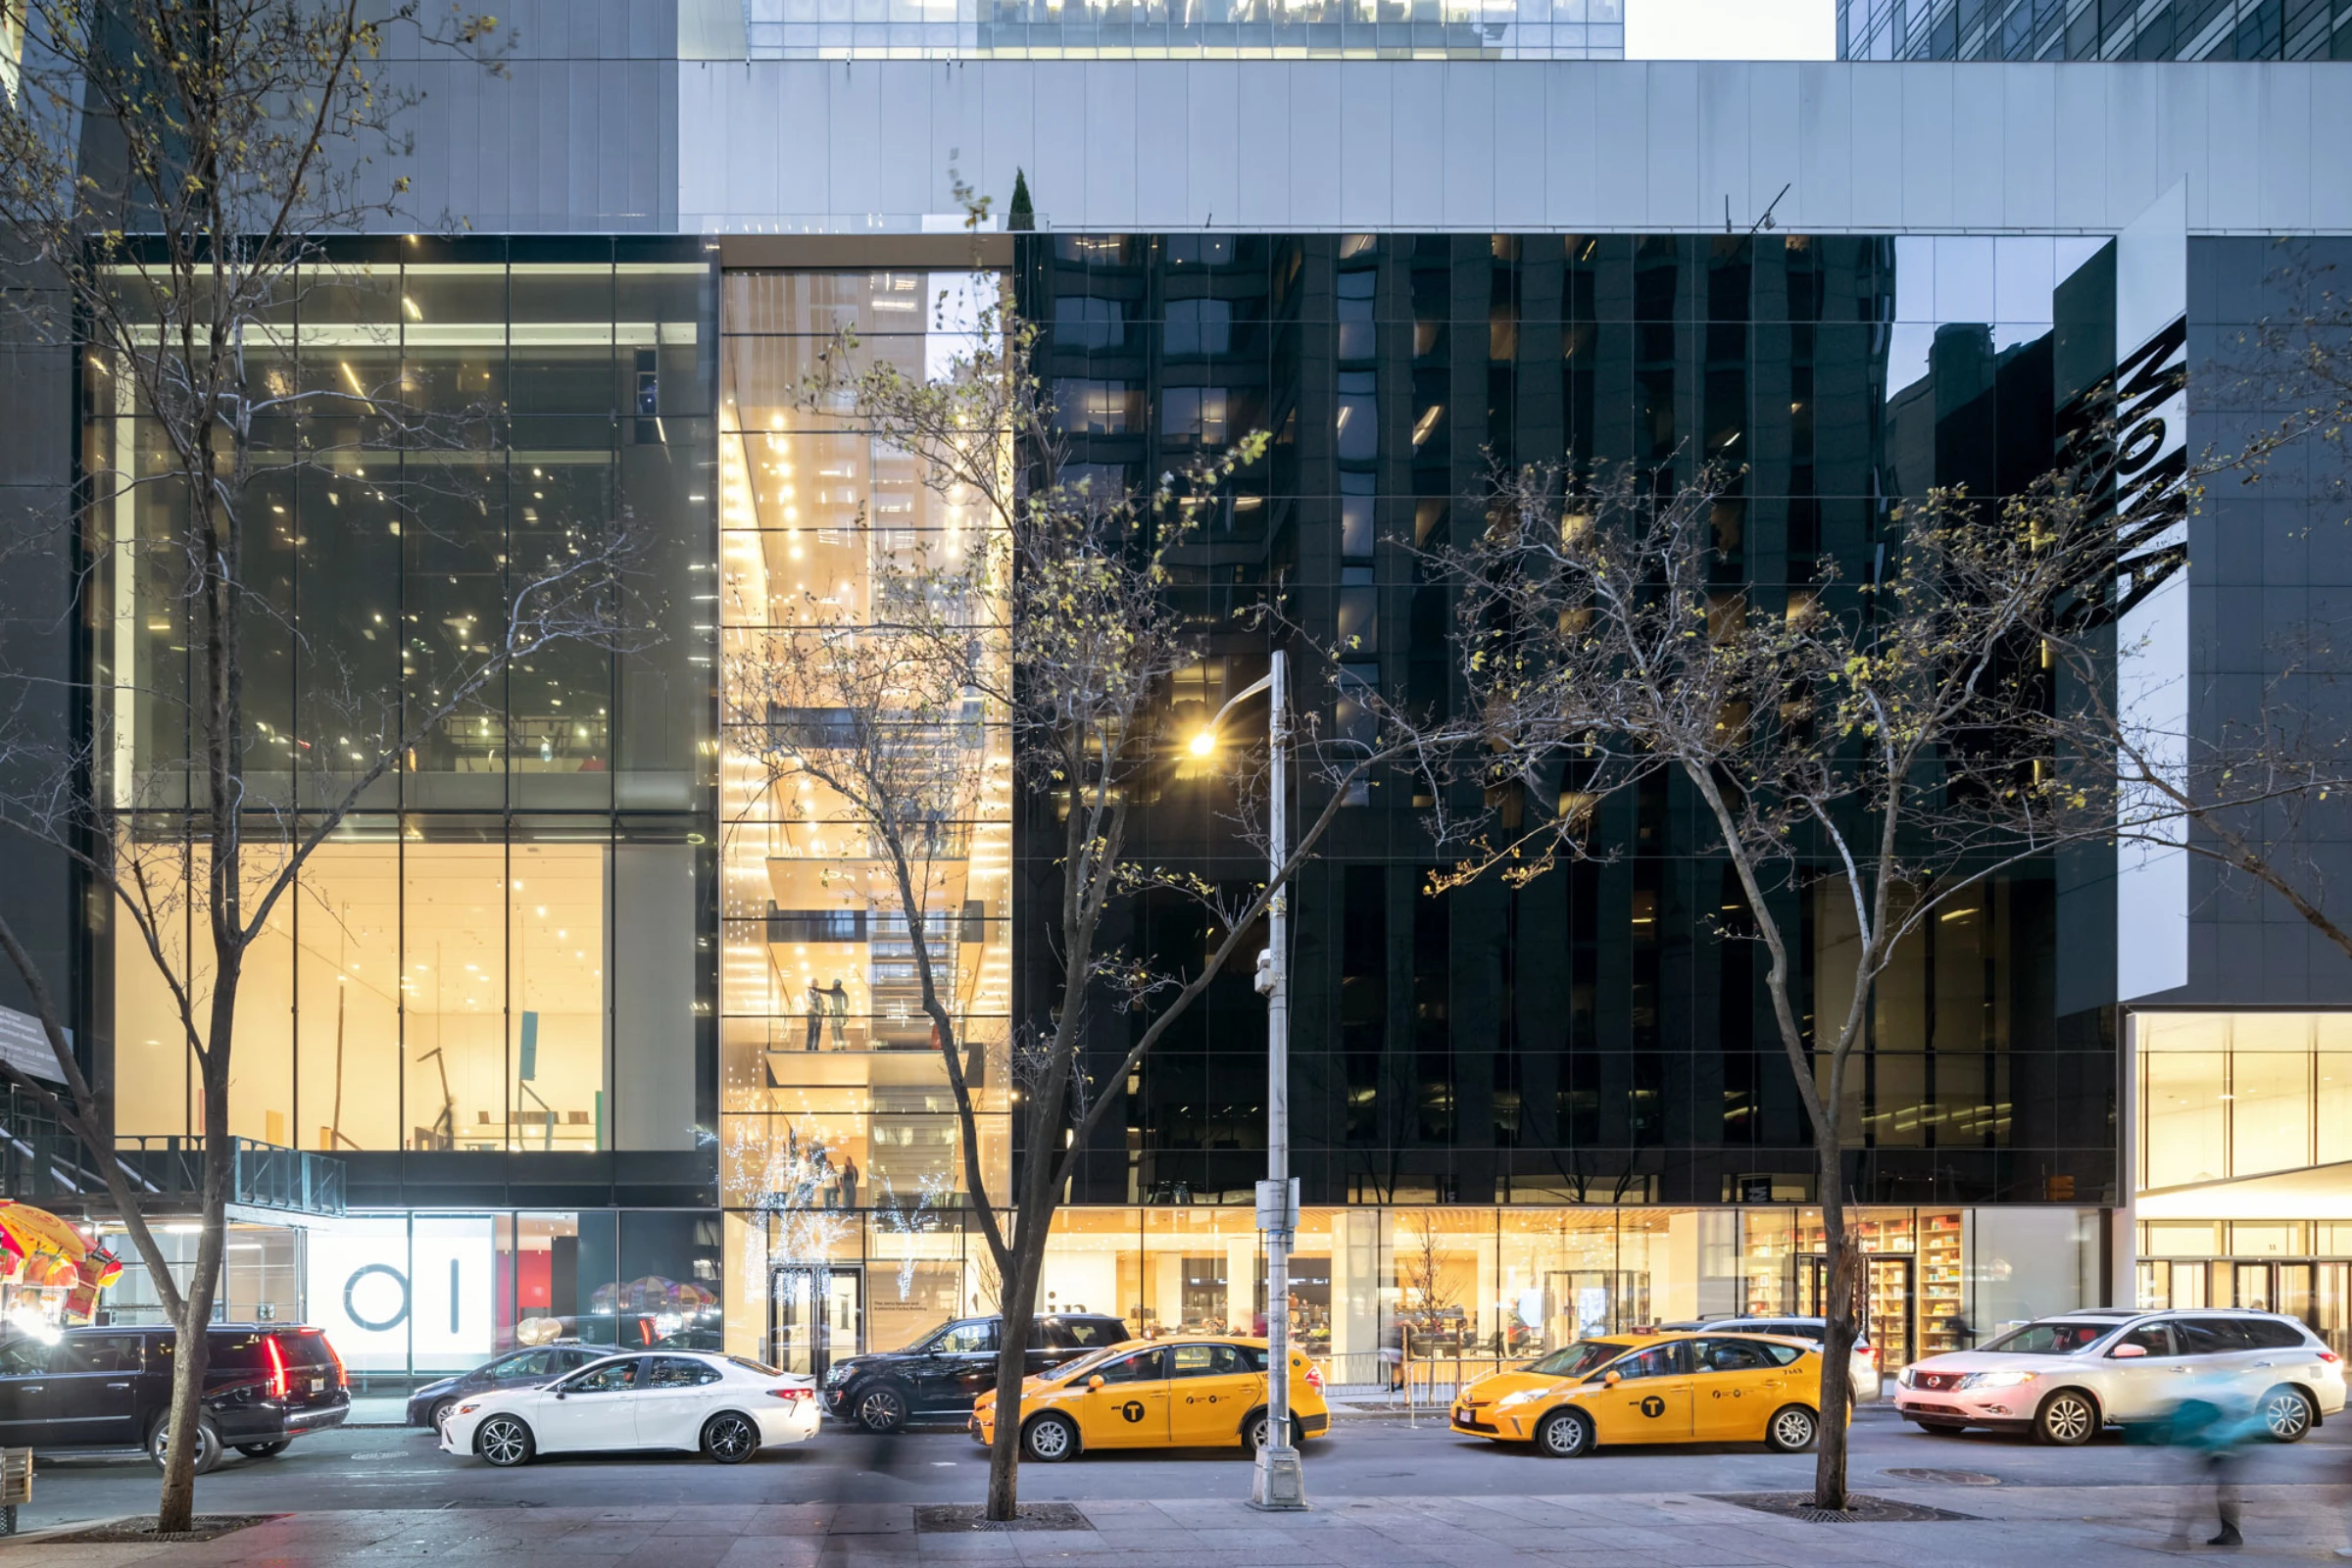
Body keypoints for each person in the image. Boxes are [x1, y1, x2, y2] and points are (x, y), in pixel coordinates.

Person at [826, 978, 850, 1049]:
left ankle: (836, 1046)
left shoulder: (833, 994)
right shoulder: (844, 994)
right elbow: (846, 1006)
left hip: (834, 1015)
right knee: (840, 1031)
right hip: (841, 1016)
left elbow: (831, 1006)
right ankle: (843, 1046)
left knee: (834, 1031)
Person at [805, 982, 822, 1051]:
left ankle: (815, 1047)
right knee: (811, 1031)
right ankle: (809, 1048)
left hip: (817, 1015)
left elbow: (819, 1003)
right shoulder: (808, 993)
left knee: (817, 1032)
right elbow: (811, 1001)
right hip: (811, 1014)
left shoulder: (818, 993)